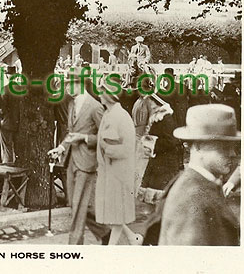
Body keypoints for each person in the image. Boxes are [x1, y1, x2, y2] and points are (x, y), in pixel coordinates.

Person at [158, 104, 240, 245]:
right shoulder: (191, 200)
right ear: (198, 146)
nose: (232, 154)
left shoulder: (199, 184)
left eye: (233, 147)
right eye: (223, 147)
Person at [48, 67, 110, 245]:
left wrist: (84, 138)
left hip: (87, 163)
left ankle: (74, 248)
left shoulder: (95, 107)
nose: (66, 88)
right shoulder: (71, 104)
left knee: (78, 209)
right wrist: (60, 148)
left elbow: (107, 138)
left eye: (69, 84)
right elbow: (71, 132)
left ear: (80, 84)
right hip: (71, 162)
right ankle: (106, 234)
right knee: (78, 205)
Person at [95, 74, 141, 245]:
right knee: (114, 213)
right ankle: (133, 238)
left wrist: (108, 149)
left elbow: (128, 147)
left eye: (102, 92)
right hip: (109, 171)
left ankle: (111, 250)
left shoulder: (121, 117)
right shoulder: (109, 114)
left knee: (116, 213)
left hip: (119, 172)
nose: (99, 95)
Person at [138, 102, 183, 205]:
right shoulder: (158, 117)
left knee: (161, 197)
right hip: (159, 161)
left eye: (151, 102)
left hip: (166, 163)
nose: (149, 104)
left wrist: (153, 144)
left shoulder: (166, 118)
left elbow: (172, 141)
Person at [0, 66, 21, 163]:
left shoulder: (5, 89)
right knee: (19, 150)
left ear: (7, 76)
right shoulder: (22, 89)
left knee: (7, 150)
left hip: (7, 123)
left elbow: (1, 108)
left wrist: (1, 118)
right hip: (19, 123)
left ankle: (8, 173)